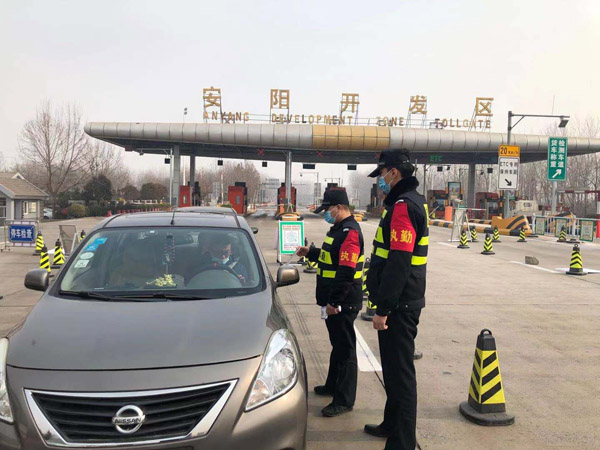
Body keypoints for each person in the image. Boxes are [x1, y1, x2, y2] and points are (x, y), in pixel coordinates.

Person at [363, 149, 428, 450]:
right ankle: (391, 424)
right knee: (391, 370)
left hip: (400, 305)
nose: (381, 180)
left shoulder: (403, 206)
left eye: (382, 174)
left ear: (394, 172)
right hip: (402, 300)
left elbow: (399, 262)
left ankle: (402, 443)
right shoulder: (410, 201)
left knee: (400, 376)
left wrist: (383, 309)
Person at [296, 189, 365, 417]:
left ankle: (344, 400)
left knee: (346, 351)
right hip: (333, 299)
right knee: (338, 345)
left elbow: (346, 271)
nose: (326, 213)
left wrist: (335, 302)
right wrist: (311, 252)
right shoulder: (337, 230)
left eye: (328, 209)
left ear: (339, 207)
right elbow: (331, 258)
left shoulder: (350, 232)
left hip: (343, 301)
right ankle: (332, 385)